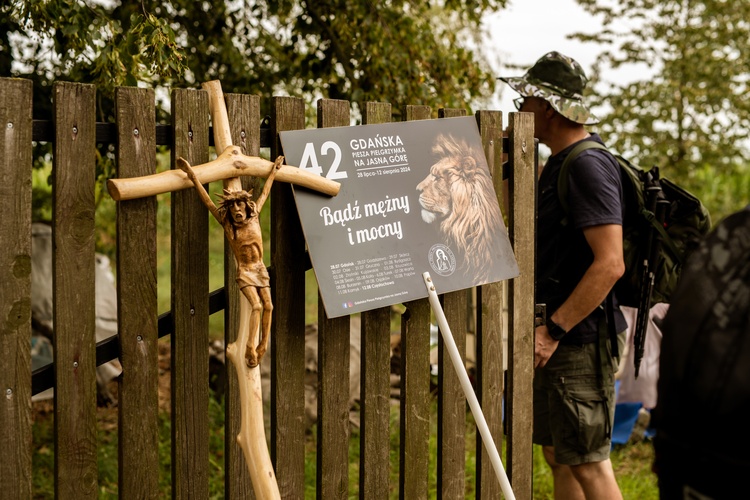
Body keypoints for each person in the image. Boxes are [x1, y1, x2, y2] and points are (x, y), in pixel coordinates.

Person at [500, 51, 627, 499]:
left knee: (589, 462)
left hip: (579, 339)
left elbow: (610, 263)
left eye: (525, 102)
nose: (520, 112)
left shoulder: (587, 165)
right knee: (559, 453)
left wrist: (553, 330)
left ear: (547, 107)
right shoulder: (559, 160)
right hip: (562, 338)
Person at [178, 156, 282, 368]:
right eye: (232, 206)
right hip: (245, 271)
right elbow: (208, 201)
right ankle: (250, 347)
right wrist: (192, 176)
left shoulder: (254, 218)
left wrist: (274, 172)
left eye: (239, 205)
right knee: (256, 306)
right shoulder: (228, 226)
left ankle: (263, 345)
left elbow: (264, 193)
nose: (236, 210)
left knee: (269, 306)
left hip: (260, 268)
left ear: (245, 206)